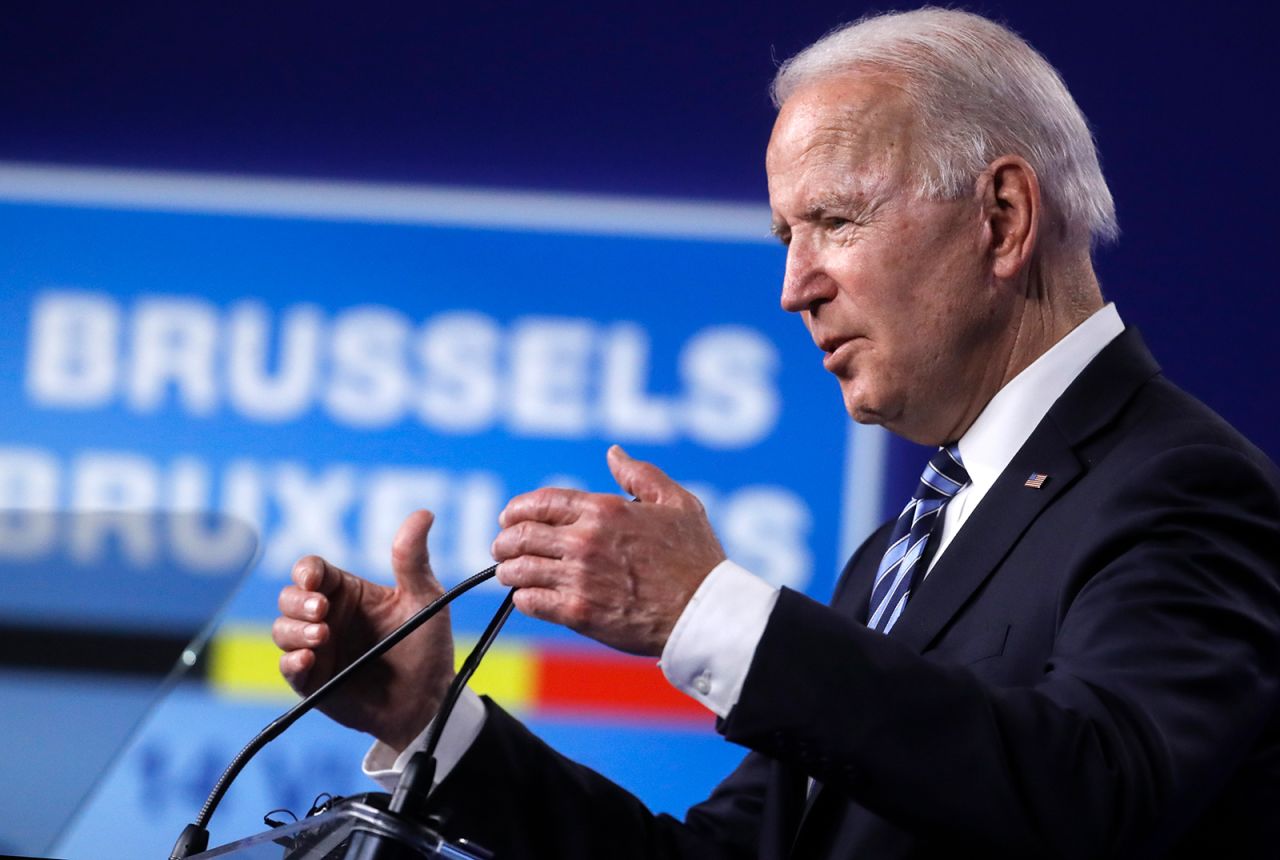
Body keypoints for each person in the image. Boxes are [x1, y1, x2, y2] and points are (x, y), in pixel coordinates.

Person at [272, 8, 1280, 857]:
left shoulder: (1180, 486)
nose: (794, 286)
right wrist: (429, 722)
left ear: (1003, 217)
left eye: (834, 221)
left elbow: (1103, 791)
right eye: (784, 235)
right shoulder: (894, 554)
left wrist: (706, 609)